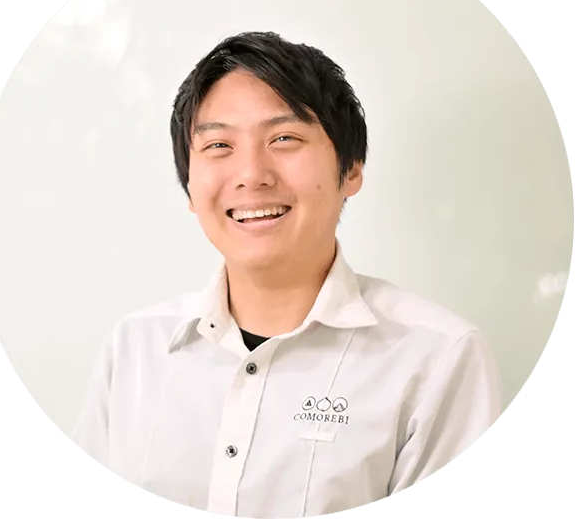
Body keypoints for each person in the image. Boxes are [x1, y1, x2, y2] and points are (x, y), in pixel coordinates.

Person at [70, 31, 502, 517]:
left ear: (351, 168)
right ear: (189, 186)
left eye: (284, 139)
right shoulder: (135, 350)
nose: (251, 174)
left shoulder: (437, 358)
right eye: (219, 145)